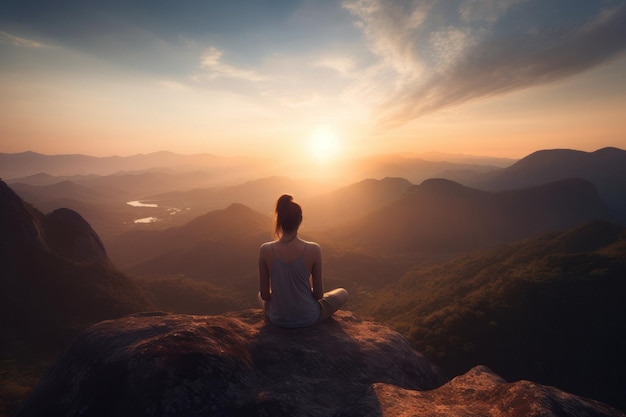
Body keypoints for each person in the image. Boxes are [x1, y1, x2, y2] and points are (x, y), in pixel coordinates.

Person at [258, 194, 348, 327]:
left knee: (259, 295)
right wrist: (302, 291)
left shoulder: (265, 249)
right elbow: (318, 295)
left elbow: (265, 296)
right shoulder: (313, 249)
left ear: (279, 220)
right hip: (308, 317)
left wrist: (284, 293)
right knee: (342, 292)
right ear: (300, 220)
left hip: (277, 319)